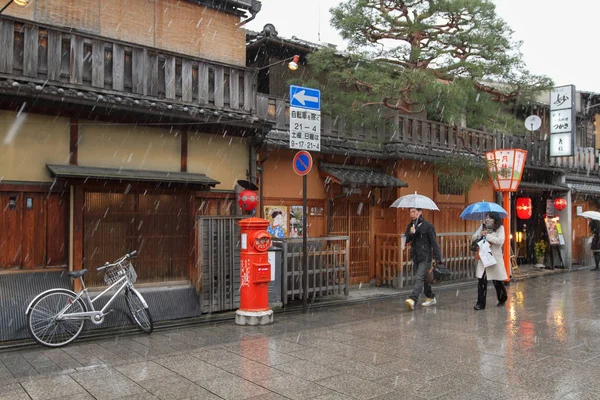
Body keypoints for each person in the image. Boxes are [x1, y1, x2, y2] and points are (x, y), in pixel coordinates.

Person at [404, 208, 444, 311]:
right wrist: (411, 233)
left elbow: (433, 243)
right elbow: (406, 239)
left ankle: (413, 299)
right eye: (410, 212)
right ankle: (430, 297)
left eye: (414, 212)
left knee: (419, 277)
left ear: (420, 212)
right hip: (415, 256)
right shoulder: (411, 225)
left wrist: (438, 258)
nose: (412, 214)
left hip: (425, 256)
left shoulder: (428, 226)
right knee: (425, 278)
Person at [472, 212, 508, 310]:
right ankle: (480, 303)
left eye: (490, 218)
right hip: (483, 257)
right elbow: (473, 237)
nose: (487, 220)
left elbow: (500, 241)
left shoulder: (500, 228)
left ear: (495, 219)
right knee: (482, 280)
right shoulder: (483, 227)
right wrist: (480, 234)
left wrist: (488, 236)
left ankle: (502, 298)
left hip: (494, 258)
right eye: (486, 218)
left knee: (497, 280)